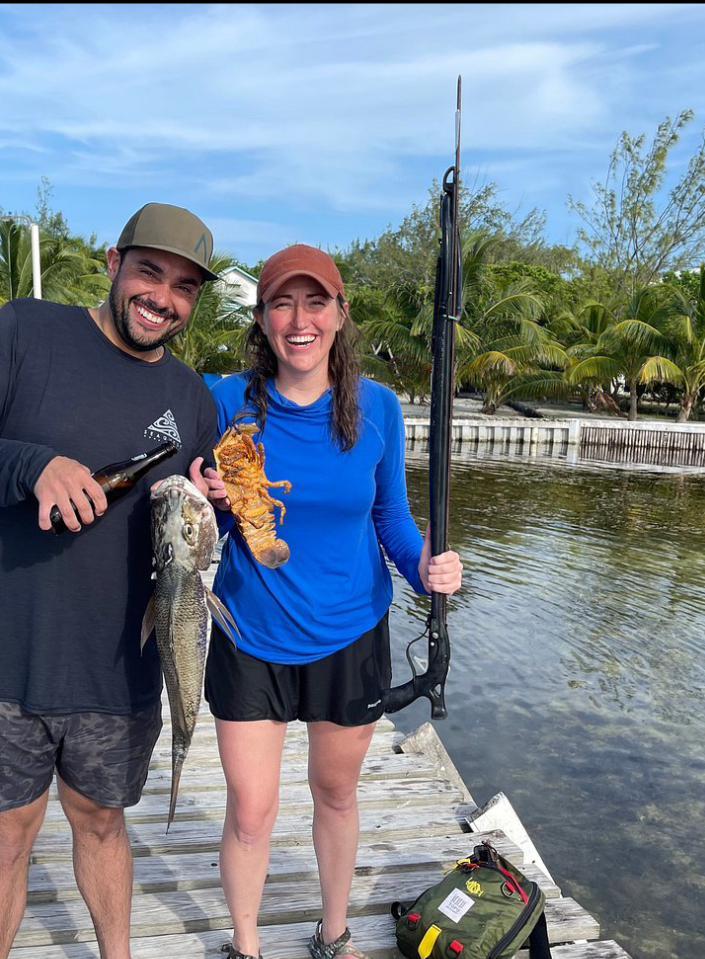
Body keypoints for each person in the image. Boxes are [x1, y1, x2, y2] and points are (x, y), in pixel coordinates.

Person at [0, 202, 224, 959]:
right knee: (6, 837)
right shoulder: (24, 330)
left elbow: (202, 530)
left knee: (102, 822)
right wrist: (33, 465)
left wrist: (214, 513)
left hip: (120, 662)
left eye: (184, 286)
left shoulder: (193, 400)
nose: (164, 298)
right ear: (114, 263)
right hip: (6, 652)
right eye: (150, 272)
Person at [204, 244, 463, 959]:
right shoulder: (226, 399)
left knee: (335, 793)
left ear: (340, 315)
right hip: (248, 628)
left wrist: (426, 565)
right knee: (251, 809)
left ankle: (333, 930)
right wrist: (210, 498)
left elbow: (393, 520)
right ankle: (247, 944)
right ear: (260, 318)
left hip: (350, 630)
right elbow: (210, 515)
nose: (299, 319)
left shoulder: (376, 408)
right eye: (282, 302)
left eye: (315, 302)